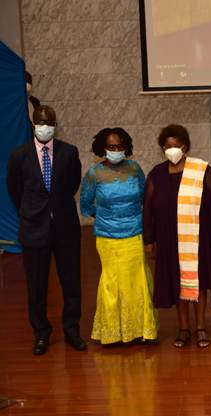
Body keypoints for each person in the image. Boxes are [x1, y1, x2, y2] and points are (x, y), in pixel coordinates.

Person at [6, 105, 86, 355]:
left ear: (55, 125)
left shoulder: (69, 152)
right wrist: (32, 211)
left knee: (71, 283)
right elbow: (15, 190)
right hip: (34, 229)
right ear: (33, 123)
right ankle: (41, 333)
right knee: (37, 286)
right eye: (41, 122)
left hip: (65, 228)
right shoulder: (19, 155)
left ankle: (72, 330)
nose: (45, 126)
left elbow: (73, 184)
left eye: (49, 122)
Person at [143, 124, 211, 349]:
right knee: (177, 282)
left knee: (199, 281)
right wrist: (149, 240)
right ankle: (183, 328)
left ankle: (200, 327)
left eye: (176, 146)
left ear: (185, 147)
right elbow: (148, 209)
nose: (172, 150)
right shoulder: (156, 174)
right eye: (167, 146)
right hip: (169, 239)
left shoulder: (201, 170)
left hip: (198, 237)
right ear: (162, 149)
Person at [80, 127, 158, 345]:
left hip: (135, 234)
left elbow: (145, 198)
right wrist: (107, 218)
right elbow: (85, 204)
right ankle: (113, 333)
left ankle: (142, 330)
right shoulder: (94, 174)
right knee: (112, 282)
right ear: (102, 148)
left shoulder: (135, 169)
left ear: (126, 147)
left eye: (119, 146)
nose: (115, 150)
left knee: (137, 280)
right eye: (111, 147)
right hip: (108, 238)